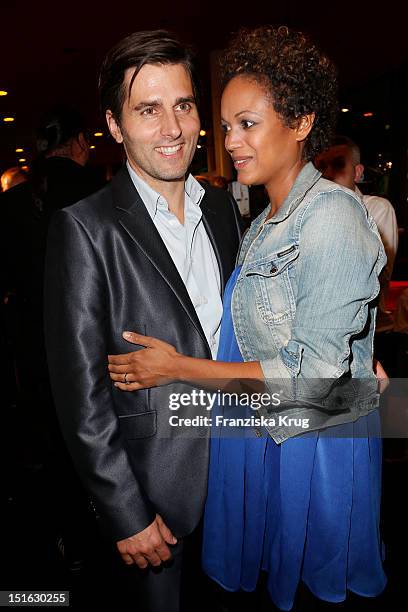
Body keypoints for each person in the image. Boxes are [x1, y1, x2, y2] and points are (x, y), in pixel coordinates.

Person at [108, 26, 387, 610]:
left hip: (313, 449)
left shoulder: (332, 217)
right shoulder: (260, 224)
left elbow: (309, 381)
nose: (231, 140)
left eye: (249, 124)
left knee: (311, 586)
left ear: (302, 122)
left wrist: (177, 369)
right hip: (264, 436)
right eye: (227, 124)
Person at [44, 30, 241, 612]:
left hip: (244, 478)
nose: (172, 129)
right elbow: (80, 394)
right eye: (148, 110)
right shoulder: (85, 229)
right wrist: (125, 512)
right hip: (157, 500)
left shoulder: (224, 208)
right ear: (114, 124)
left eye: (182, 105)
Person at [315, 135, 399, 332]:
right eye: (321, 167)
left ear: (357, 172)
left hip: (369, 335)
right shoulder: (310, 212)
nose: (327, 173)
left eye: (337, 165)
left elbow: (375, 278)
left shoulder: (376, 208)